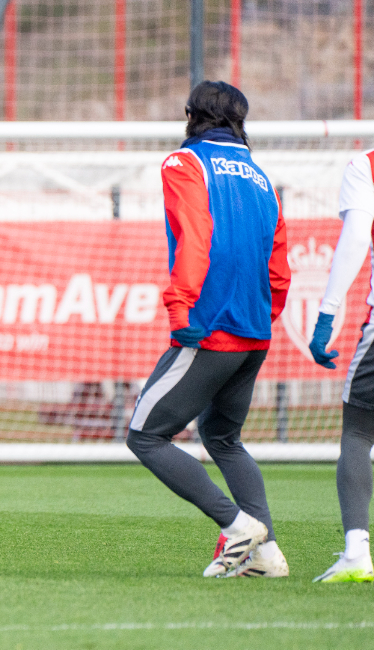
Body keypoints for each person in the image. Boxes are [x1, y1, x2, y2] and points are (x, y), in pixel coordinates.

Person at [125, 81, 291, 578]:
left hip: (209, 326)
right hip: (253, 332)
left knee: (145, 436)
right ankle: (267, 556)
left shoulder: (185, 163)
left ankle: (237, 526)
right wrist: (265, 317)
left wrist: (181, 307)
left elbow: (196, 235)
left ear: (190, 115)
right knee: (223, 438)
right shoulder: (261, 177)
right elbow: (278, 264)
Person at [305, 149, 374, 583]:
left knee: (358, 430)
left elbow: (355, 236)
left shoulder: (366, 164)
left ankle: (356, 552)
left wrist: (328, 312)